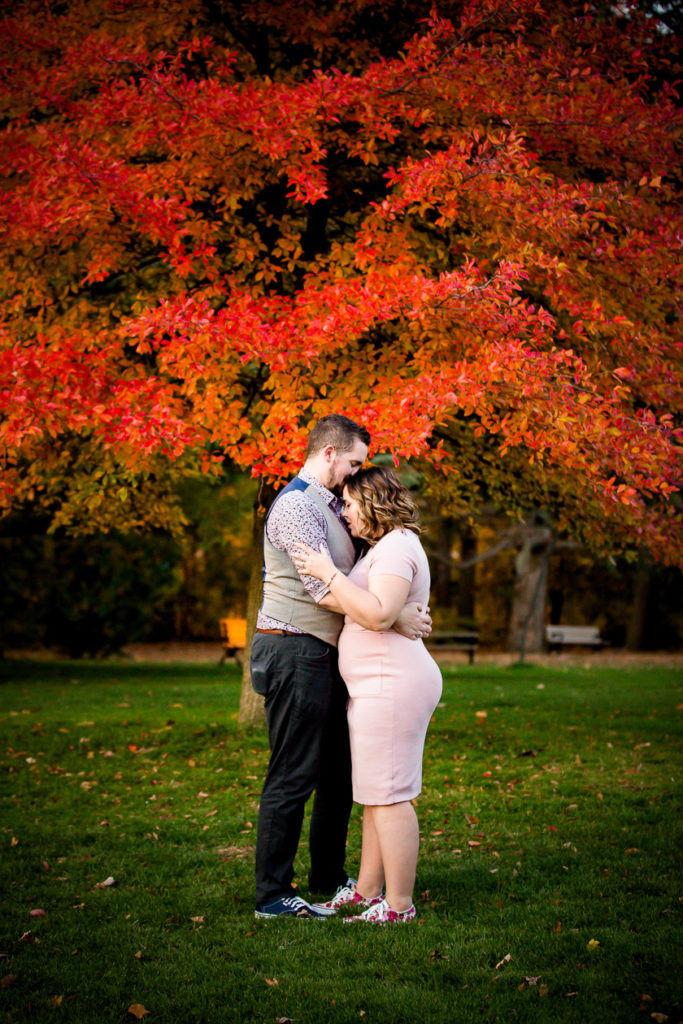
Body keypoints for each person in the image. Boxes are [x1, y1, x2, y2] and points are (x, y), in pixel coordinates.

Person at [250, 416, 432, 919]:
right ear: (329, 453)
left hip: (324, 654)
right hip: (291, 647)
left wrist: (390, 606)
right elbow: (323, 588)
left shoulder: (337, 505)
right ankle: (272, 893)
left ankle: (330, 878)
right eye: (353, 461)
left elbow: (365, 580)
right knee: (293, 773)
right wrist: (395, 617)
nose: (357, 472)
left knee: (339, 776)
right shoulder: (294, 507)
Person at [293, 465, 443, 924]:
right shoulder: (381, 548)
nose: (346, 512)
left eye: (352, 504)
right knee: (377, 792)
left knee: (391, 795)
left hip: (392, 685)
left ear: (375, 502)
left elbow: (376, 615)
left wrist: (327, 573)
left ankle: (398, 907)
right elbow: (371, 608)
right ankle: (366, 891)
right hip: (376, 684)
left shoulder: (397, 549)